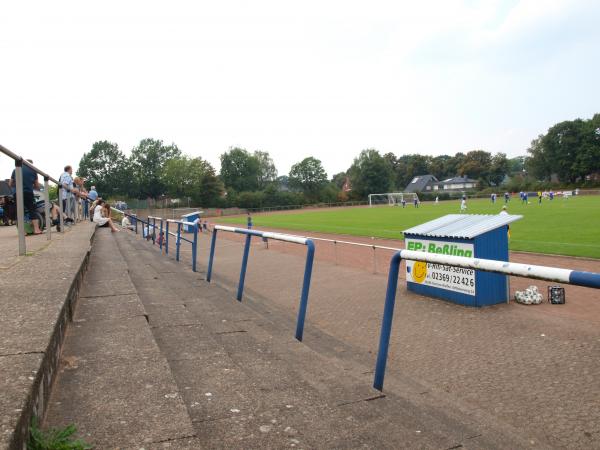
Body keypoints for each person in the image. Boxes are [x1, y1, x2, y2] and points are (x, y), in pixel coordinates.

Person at [9, 159, 43, 234]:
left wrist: (17, 185)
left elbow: (10, 183)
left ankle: (23, 231)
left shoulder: (15, 170)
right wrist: (31, 185)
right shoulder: (33, 171)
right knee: (32, 210)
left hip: (17, 193)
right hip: (28, 192)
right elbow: (37, 185)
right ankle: (36, 229)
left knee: (20, 211)